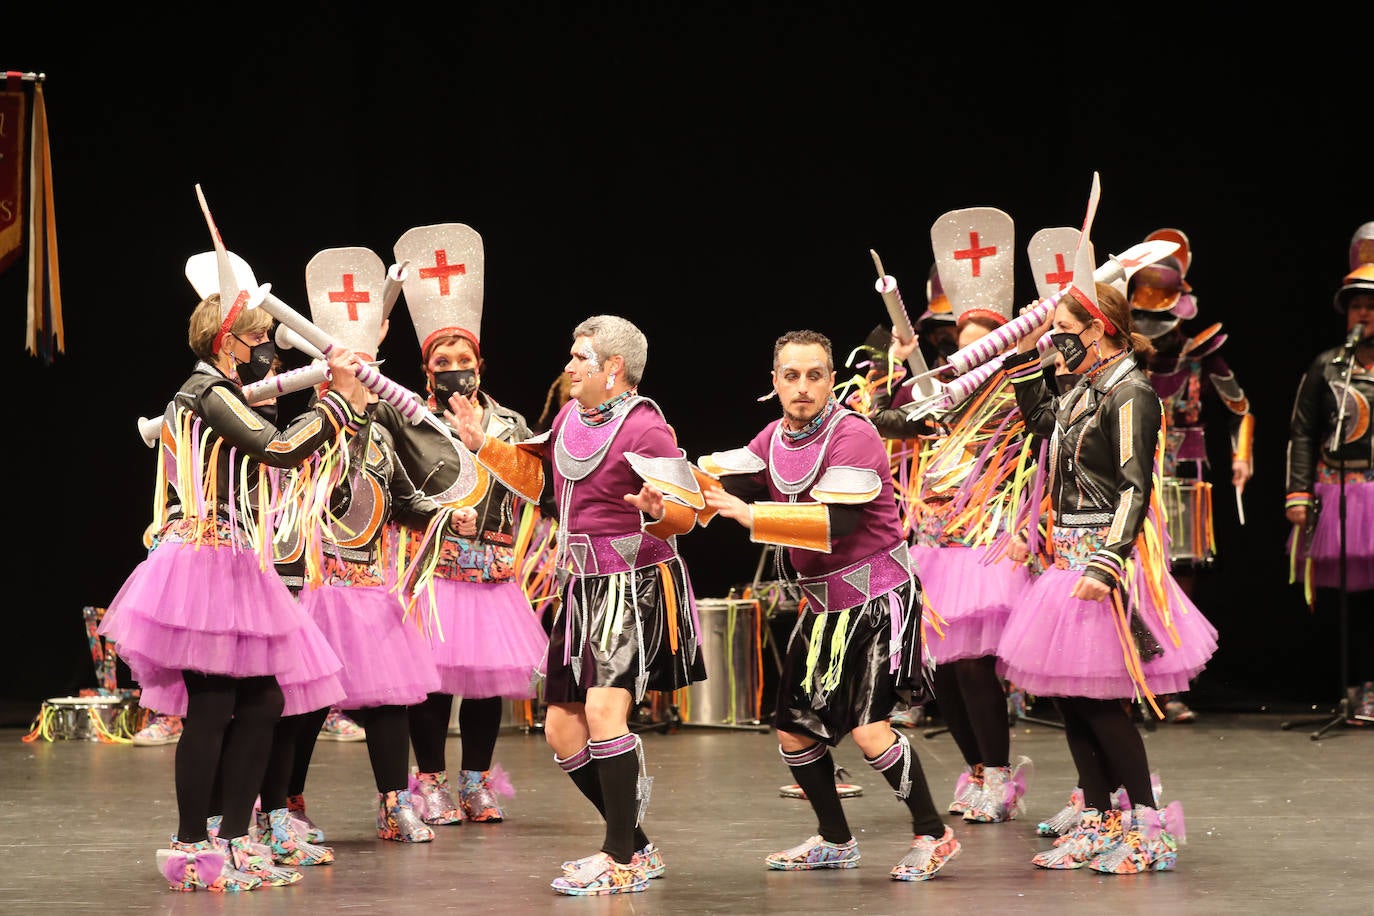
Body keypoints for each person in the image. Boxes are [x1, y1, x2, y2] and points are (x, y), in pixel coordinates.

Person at [99, 279, 369, 893]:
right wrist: (339, 401)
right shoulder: (206, 390)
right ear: (229, 342)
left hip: (232, 554)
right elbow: (277, 448)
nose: (265, 351)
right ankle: (194, 845)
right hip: (203, 558)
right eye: (257, 339)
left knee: (261, 701)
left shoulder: (220, 391)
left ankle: (232, 837)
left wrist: (334, 397)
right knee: (217, 703)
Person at [446, 314, 708, 897]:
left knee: (605, 715)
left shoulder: (647, 429)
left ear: (612, 369)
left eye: (579, 357)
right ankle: (637, 846)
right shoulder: (569, 416)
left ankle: (617, 857)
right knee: (563, 730)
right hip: (582, 588)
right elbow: (540, 483)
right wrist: (481, 444)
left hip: (632, 588)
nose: (567, 366)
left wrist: (653, 508)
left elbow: (687, 517)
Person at [700, 329, 959, 882]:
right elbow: (726, 480)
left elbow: (834, 523)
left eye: (814, 375)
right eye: (790, 376)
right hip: (821, 609)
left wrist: (750, 516)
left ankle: (934, 834)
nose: (802, 387)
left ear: (831, 378)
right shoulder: (774, 436)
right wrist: (673, 491)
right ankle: (836, 839)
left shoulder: (855, 435)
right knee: (795, 731)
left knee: (870, 731)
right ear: (774, 382)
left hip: (876, 601)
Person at [997, 244, 1215, 872]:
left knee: (1101, 703)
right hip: (1066, 557)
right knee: (1071, 696)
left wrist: (1106, 562)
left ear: (1101, 330)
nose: (1055, 342)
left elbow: (1134, 489)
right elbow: (1041, 421)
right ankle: (1099, 817)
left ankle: (1146, 825)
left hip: (1102, 562)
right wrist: (1020, 359)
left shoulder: (1131, 395)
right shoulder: (1082, 388)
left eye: (1063, 332)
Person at [865, 205, 1036, 825]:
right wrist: (904, 368)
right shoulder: (936, 390)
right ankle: (977, 771)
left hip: (986, 538)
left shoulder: (1023, 389)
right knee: (947, 671)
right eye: (959, 353)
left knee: (975, 668)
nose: (965, 362)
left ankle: (999, 774)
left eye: (979, 351)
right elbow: (886, 417)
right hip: (936, 539)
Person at [381, 223, 551, 829]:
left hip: (492, 569)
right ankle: (427, 781)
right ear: (425, 370)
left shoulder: (509, 420)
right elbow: (391, 490)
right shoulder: (407, 422)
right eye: (442, 362)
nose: (455, 369)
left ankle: (476, 780)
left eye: (463, 360)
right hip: (430, 567)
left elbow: (531, 484)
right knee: (431, 682)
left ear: (481, 363)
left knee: (484, 682)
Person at [1128, 229, 1254, 724]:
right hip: (1134, 475)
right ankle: (1138, 676)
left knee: (1179, 579)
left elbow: (1242, 409)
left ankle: (1174, 681)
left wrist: (1242, 455)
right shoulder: (1125, 357)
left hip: (1185, 475)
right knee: (1132, 576)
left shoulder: (1202, 356)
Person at [1284, 253, 1374, 723]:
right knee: (1352, 598)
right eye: (1357, 306)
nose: (1364, 313)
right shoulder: (1328, 366)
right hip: (1342, 492)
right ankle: (1355, 690)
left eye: (1372, 305)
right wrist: (1298, 492)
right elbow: (1302, 431)